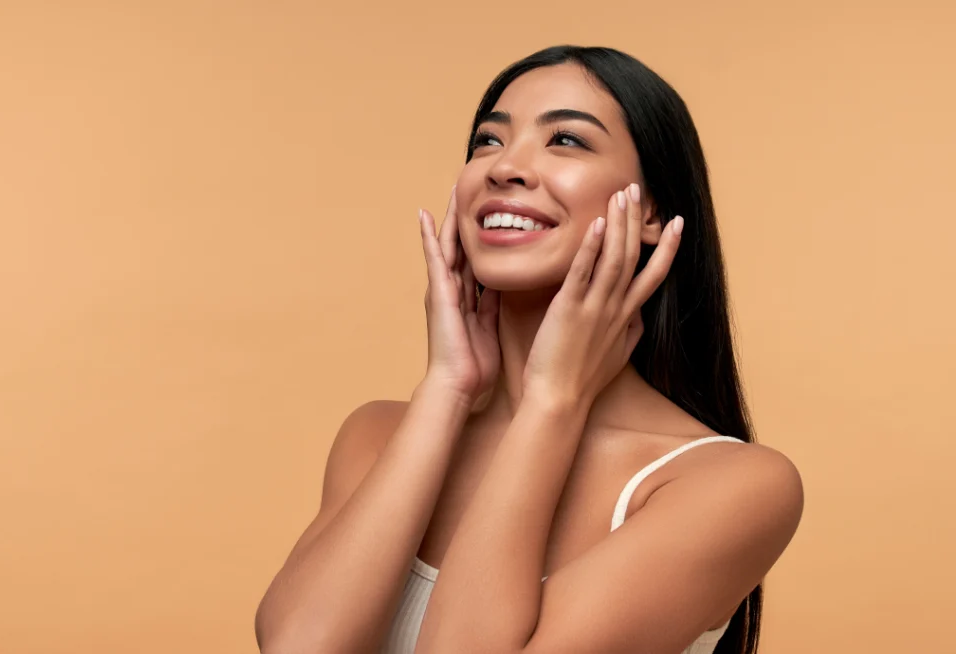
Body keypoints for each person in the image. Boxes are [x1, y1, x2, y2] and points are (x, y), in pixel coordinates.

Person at [254, 45, 804, 654]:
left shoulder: (730, 486)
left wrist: (554, 402)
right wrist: (447, 388)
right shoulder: (379, 435)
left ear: (651, 211)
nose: (504, 167)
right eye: (488, 141)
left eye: (566, 140)